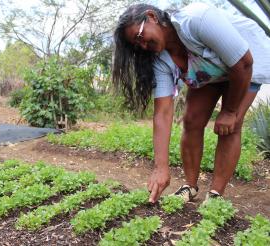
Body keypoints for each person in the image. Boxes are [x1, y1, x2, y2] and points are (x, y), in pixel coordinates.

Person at [112, 2, 270, 203]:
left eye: (140, 37)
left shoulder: (196, 19)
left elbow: (243, 63)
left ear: (151, 17)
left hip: (244, 64)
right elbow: (162, 112)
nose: (143, 46)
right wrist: (161, 168)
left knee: (230, 125)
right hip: (210, 70)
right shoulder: (159, 59)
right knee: (192, 120)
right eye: (137, 45)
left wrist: (230, 111)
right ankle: (190, 185)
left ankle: (215, 195)